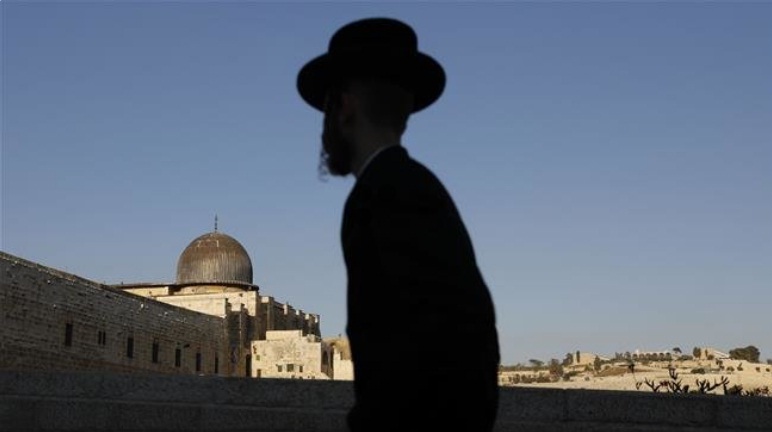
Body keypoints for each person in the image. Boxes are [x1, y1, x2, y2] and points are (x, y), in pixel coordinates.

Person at [296, 17, 501, 432]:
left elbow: (416, 352)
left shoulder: (383, 193)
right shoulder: (414, 185)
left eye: (327, 108)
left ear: (345, 107)